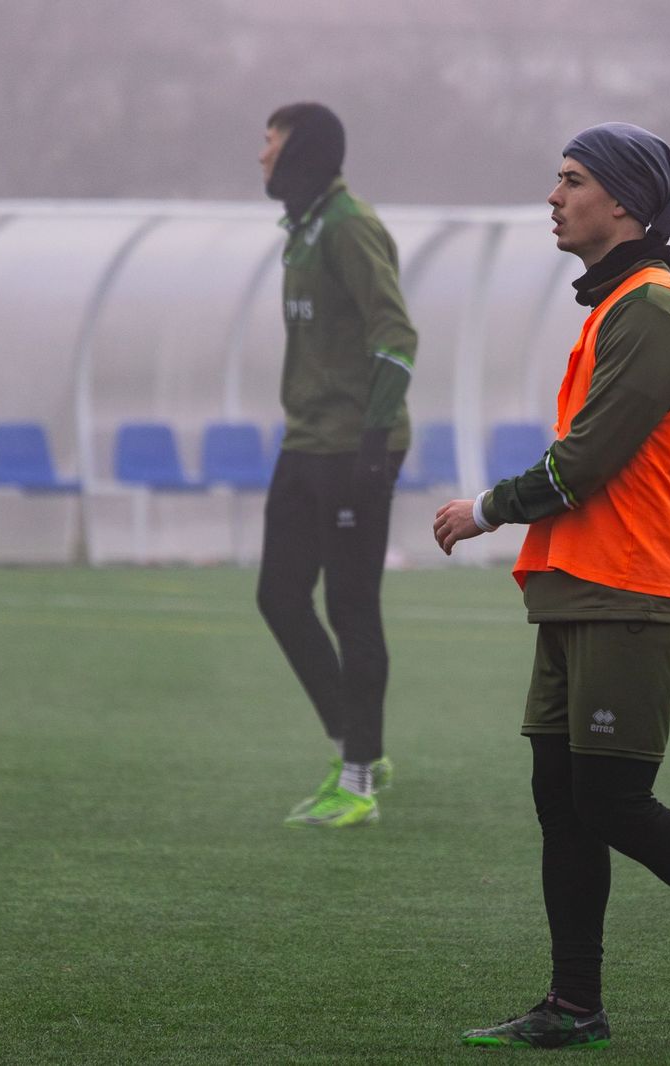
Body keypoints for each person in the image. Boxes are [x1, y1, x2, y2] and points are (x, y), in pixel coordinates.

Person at [433, 122, 670, 1051]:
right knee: (561, 799)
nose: (553, 196)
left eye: (570, 180)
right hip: (582, 590)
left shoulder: (653, 308)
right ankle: (574, 1006)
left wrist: (486, 508)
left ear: (624, 202)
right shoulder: (615, 309)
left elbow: (588, 462)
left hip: (636, 595)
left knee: (610, 801)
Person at [256, 102, 416, 829]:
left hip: (355, 447)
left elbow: (396, 336)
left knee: (352, 607)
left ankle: (357, 784)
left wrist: (374, 440)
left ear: (303, 154)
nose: (261, 157)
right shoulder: (303, 230)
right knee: (280, 597)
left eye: (271, 144)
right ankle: (356, 744)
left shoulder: (350, 227)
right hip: (304, 442)